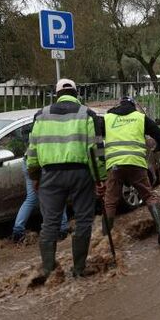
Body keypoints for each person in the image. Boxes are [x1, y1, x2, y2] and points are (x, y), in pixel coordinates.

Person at [26, 79, 106, 278]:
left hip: (50, 176)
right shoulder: (88, 114)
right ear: (77, 94)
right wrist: (100, 179)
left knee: (50, 223)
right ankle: (79, 270)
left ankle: (49, 270)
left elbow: (32, 150)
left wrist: (35, 176)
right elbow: (96, 150)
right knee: (83, 221)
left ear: (57, 94)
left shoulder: (40, 116)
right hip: (81, 174)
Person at [103, 96, 160, 246]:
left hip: (114, 164)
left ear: (119, 105)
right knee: (148, 195)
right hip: (136, 164)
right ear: (133, 105)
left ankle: (105, 240)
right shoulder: (140, 118)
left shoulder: (107, 118)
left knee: (110, 201)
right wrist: (158, 147)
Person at [12, 123, 68, 242]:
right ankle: (62, 228)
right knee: (58, 196)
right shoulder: (56, 131)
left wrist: (34, 176)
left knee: (31, 199)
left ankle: (17, 231)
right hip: (44, 165)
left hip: (29, 161)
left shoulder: (38, 127)